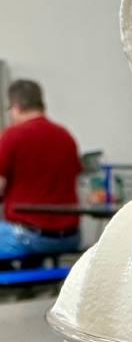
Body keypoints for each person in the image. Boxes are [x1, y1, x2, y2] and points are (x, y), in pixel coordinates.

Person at [0, 80, 81, 259]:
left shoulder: (13, 135)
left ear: (15, 107)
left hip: (29, 237)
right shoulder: (66, 136)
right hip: (70, 237)